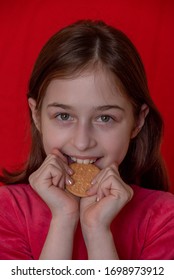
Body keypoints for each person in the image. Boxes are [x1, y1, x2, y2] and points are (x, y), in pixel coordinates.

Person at [0, 19, 174, 260]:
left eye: (104, 118)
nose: (82, 143)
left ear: (137, 121)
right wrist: (63, 220)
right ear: (37, 116)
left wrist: (96, 231)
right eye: (63, 115)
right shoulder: (6, 211)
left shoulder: (165, 218)